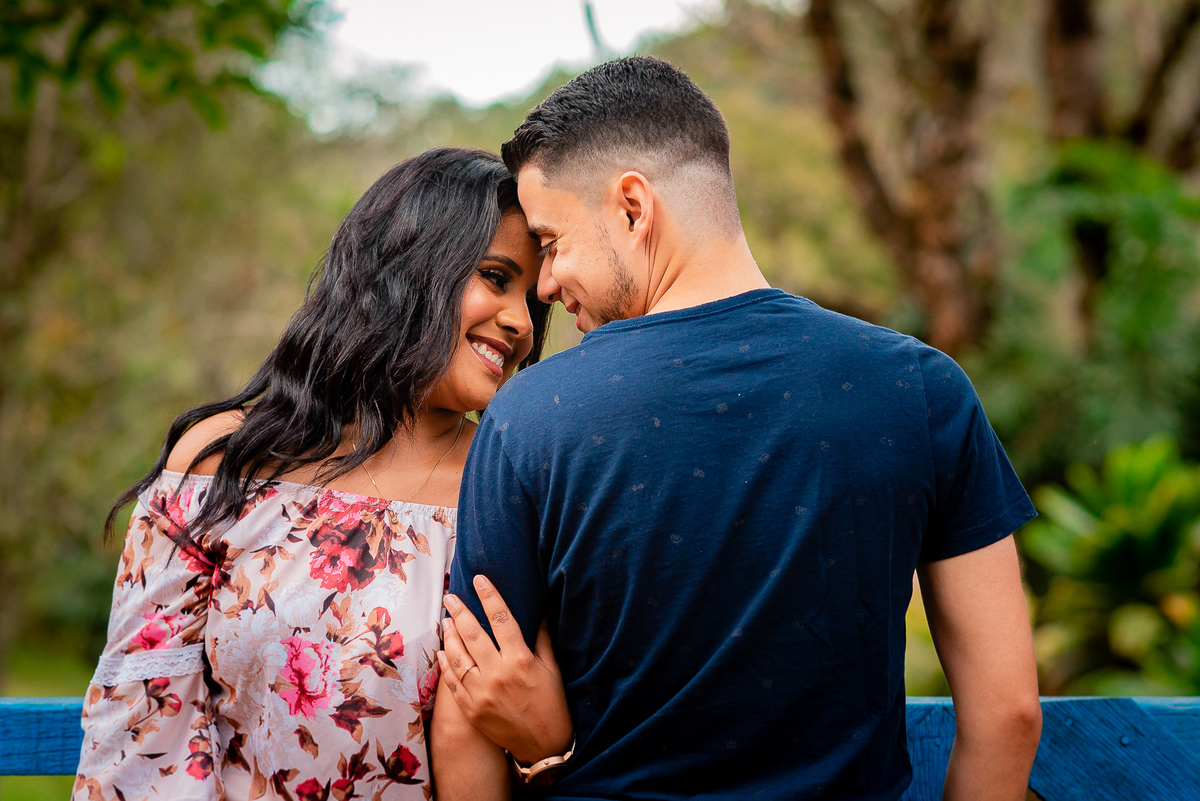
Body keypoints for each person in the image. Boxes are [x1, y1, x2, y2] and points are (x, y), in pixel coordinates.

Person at [434, 58, 1043, 801]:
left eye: (553, 242)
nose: (548, 288)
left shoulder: (531, 416)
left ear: (633, 206)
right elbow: (1009, 711)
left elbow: (467, 716)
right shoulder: (921, 388)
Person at [73, 147, 573, 801]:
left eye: (533, 303)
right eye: (495, 276)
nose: (520, 324)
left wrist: (548, 742)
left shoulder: (508, 485)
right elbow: (138, 727)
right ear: (410, 270)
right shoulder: (224, 463)